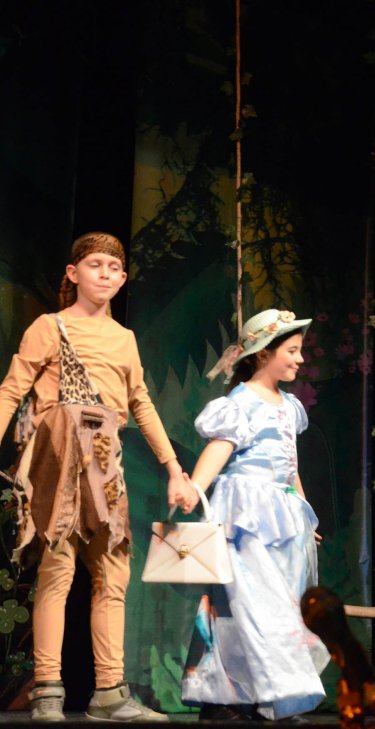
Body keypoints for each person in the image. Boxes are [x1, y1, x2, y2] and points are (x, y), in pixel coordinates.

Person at [0, 231, 190, 722]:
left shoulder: (124, 339)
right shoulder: (50, 327)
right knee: (57, 570)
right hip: (58, 461)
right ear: (73, 273)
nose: (104, 274)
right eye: (94, 265)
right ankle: (48, 689)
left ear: (123, 279)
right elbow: (12, 390)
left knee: (113, 574)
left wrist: (175, 469)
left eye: (113, 268)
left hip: (105, 465)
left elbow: (141, 404)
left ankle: (109, 691)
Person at [179, 308, 329, 721]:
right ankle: (224, 698)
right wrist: (195, 488)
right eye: (291, 351)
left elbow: (290, 463)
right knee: (248, 606)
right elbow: (219, 450)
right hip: (246, 513)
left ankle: (271, 697)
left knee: (283, 607)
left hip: (283, 515)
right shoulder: (240, 402)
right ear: (264, 353)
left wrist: (303, 510)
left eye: (299, 351)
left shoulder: (289, 405)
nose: (299, 359)